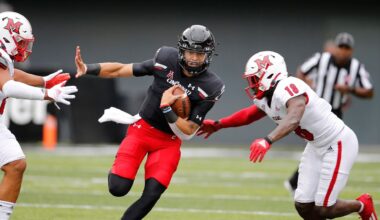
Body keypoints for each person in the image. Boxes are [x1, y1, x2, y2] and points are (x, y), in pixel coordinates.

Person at [197, 51, 377, 220]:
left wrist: (268, 140)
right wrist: (218, 125)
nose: (251, 83)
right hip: (316, 146)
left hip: (337, 142)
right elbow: (250, 114)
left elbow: (294, 116)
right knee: (304, 206)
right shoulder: (266, 96)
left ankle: (362, 205)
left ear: (269, 74)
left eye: (254, 78)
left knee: (325, 207)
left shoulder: (288, 86)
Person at [74, 24, 225, 220]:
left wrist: (168, 109)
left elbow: (188, 131)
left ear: (209, 55)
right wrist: (88, 68)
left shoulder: (212, 86)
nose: (194, 58)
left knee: (152, 193)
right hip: (142, 130)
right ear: (181, 51)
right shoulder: (165, 59)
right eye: (190, 52)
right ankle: (118, 169)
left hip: (169, 141)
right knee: (118, 188)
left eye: (200, 54)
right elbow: (121, 70)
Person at [0, 11, 78, 219]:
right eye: (20, 42)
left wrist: (43, 81)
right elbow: (8, 87)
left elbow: (12, 74)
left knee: (16, 164)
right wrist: (46, 94)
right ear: (5, 37)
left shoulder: (3, 60)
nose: (24, 48)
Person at [283, 33, 374, 195]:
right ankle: (299, 184)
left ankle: (297, 183)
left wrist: (351, 89)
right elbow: (301, 71)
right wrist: (306, 86)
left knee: (325, 148)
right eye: (341, 47)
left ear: (351, 51)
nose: (343, 51)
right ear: (335, 48)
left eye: (347, 48)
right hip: (317, 109)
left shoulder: (356, 67)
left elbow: (369, 91)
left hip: (335, 112)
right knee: (320, 147)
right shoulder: (321, 59)